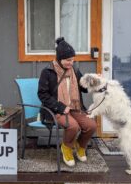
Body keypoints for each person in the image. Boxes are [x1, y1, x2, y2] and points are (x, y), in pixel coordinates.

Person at [38, 37, 97, 167]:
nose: (71, 63)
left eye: (73, 59)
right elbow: (42, 95)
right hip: (56, 109)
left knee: (91, 126)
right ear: (60, 59)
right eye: (68, 60)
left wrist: (93, 82)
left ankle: (80, 146)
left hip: (74, 108)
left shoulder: (74, 70)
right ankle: (66, 148)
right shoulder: (47, 72)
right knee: (73, 126)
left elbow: (84, 88)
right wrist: (60, 106)